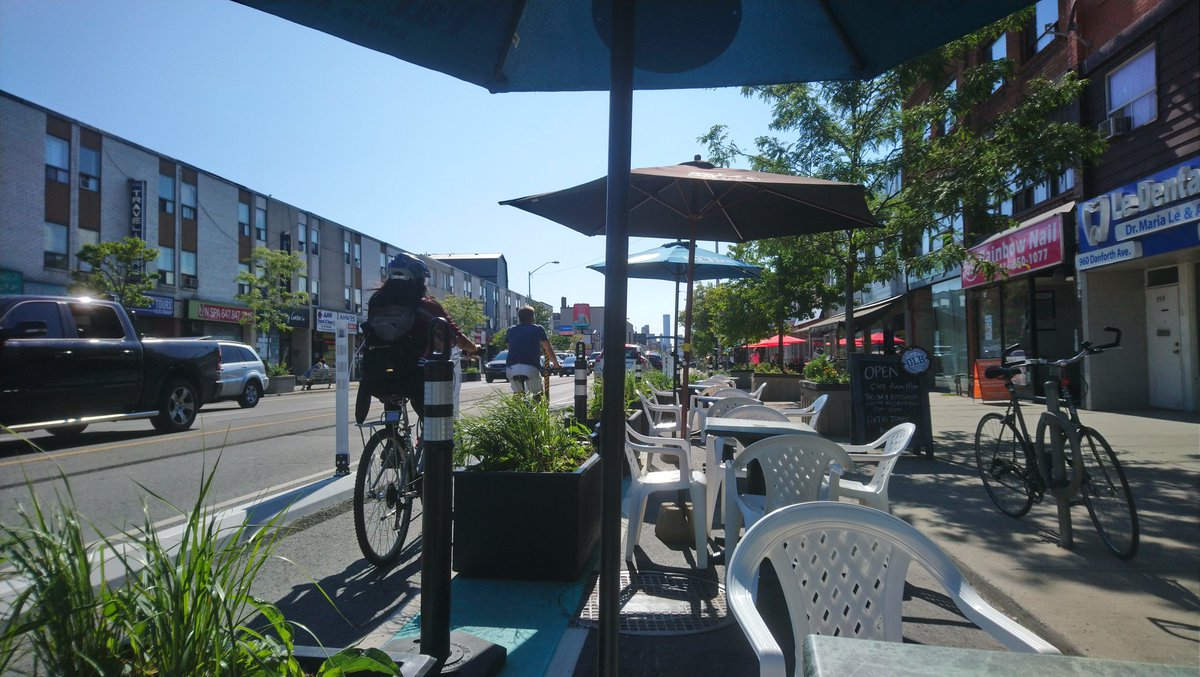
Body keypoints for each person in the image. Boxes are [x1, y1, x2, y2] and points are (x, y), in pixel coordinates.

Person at [356, 252, 481, 424]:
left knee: (392, 409)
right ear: (419, 281)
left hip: (377, 376)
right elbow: (454, 336)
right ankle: (427, 445)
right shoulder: (425, 305)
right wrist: (473, 348)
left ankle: (393, 443)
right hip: (414, 377)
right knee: (434, 424)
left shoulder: (376, 302)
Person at [504, 305, 559, 398]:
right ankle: (537, 407)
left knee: (518, 395)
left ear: (519, 318)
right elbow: (548, 349)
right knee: (537, 395)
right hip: (530, 367)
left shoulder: (510, 330)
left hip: (511, 368)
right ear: (532, 317)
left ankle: (516, 410)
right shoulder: (538, 329)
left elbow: (509, 347)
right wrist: (556, 364)